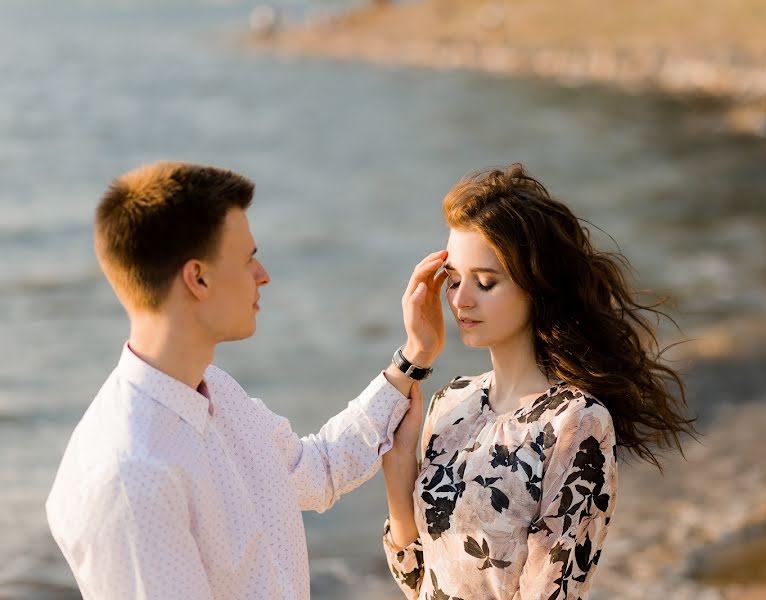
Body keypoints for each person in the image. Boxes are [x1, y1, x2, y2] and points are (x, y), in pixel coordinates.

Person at [45, 161, 449, 599]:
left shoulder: (214, 389)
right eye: (248, 258)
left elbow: (319, 470)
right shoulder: (132, 475)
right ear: (197, 278)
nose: (263, 274)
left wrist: (413, 357)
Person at [381, 164, 696, 600]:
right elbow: (417, 580)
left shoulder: (576, 422)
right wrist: (399, 468)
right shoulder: (450, 403)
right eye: (453, 280)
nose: (460, 299)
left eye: (485, 282)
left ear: (537, 286)